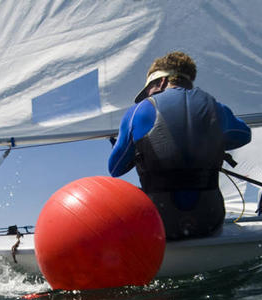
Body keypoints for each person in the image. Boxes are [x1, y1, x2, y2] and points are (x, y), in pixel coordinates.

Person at [108, 51, 252, 240]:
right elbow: (244, 136)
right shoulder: (216, 108)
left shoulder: (138, 111)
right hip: (209, 219)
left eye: (148, 89)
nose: (146, 96)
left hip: (160, 223)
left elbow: (115, 168)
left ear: (160, 82)